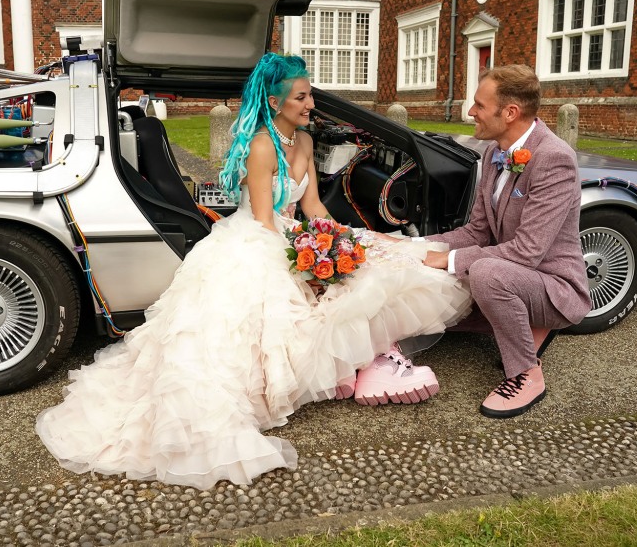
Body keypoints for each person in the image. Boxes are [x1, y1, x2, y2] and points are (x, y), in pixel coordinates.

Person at [36, 53, 471, 489]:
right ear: (277, 101)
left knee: (384, 256)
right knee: (264, 322)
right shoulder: (262, 145)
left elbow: (313, 207)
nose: (310, 105)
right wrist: (312, 252)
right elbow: (265, 218)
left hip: (291, 232)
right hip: (255, 240)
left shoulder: (302, 142)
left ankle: (354, 364)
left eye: (310, 96)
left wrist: (346, 238)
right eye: (301, 98)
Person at [420, 65, 591, 418]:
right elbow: (476, 231)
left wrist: (449, 261)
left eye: (479, 105)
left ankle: (526, 374)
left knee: (483, 273)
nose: (471, 112)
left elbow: (527, 251)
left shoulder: (554, 159)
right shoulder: (493, 152)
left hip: (554, 285)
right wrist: (421, 247)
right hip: (512, 274)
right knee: (445, 306)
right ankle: (527, 325)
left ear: (509, 112)